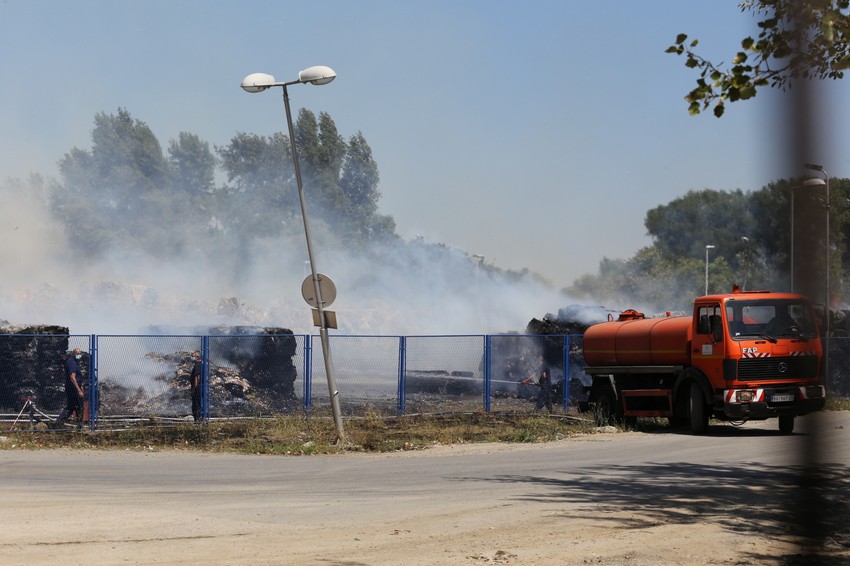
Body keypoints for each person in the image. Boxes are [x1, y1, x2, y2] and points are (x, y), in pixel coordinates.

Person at [56, 348, 85, 429]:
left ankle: (59, 422)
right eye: (78, 354)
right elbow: (72, 377)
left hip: (72, 387)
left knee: (71, 406)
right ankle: (79, 427)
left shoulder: (73, 362)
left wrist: (81, 386)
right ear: (73, 354)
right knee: (79, 406)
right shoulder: (72, 363)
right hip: (73, 388)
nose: (79, 355)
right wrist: (78, 390)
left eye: (80, 353)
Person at [190, 351, 203, 422]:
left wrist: (194, 388)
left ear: (197, 357)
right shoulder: (201, 365)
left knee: (196, 404)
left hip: (198, 387)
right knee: (198, 403)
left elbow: (197, 377)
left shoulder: (198, 365)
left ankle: (198, 420)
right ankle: (199, 419)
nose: (191, 358)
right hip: (200, 387)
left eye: (192, 356)